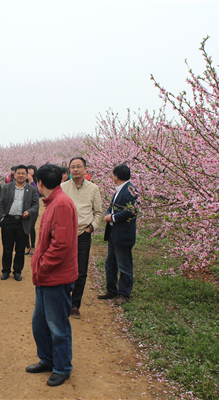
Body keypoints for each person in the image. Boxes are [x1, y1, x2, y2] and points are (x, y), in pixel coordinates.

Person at [26, 164, 78, 387]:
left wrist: (43, 265)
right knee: (40, 323)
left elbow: (62, 244)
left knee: (57, 326)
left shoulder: (62, 204)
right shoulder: (53, 202)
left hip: (56, 277)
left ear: (39, 183)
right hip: (46, 277)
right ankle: (47, 359)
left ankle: (63, 367)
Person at [61, 157, 103, 319]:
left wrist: (91, 228)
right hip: (65, 234)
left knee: (81, 270)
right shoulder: (63, 187)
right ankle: (64, 301)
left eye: (79, 166)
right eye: (72, 167)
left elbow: (98, 212)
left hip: (83, 234)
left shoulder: (93, 189)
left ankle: (75, 304)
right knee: (64, 267)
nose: (75, 169)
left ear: (86, 169)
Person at [97, 164, 139, 305]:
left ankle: (124, 294)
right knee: (110, 263)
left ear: (116, 176)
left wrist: (112, 217)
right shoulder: (120, 190)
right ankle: (111, 290)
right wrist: (108, 213)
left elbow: (132, 211)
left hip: (123, 235)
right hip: (114, 234)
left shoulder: (130, 191)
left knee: (124, 266)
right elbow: (112, 206)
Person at [0, 164, 39, 281]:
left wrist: (29, 212)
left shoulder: (31, 189)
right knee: (7, 248)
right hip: (8, 221)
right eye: (18, 173)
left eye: (23, 173)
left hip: (23, 221)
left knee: (20, 249)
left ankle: (17, 271)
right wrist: (2, 218)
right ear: (14, 174)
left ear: (27, 175)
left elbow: (36, 205)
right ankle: (5, 271)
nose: (21, 175)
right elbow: (1, 204)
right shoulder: (7, 187)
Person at [25, 164, 40, 255]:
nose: (30, 171)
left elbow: (38, 193)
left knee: (31, 227)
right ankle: (27, 246)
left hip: (34, 207)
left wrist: (32, 181)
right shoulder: (24, 181)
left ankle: (33, 246)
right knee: (25, 227)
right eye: (28, 169)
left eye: (31, 169)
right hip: (25, 206)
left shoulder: (37, 180)